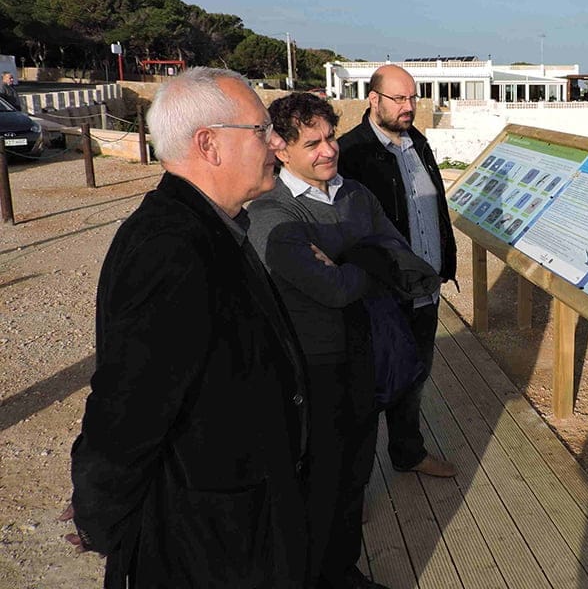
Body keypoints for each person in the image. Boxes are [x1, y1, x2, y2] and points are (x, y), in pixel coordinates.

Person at [63, 68, 309, 588]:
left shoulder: (206, 226)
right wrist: (103, 519)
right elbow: (125, 410)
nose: (277, 143)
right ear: (209, 144)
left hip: (233, 524)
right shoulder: (171, 249)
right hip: (207, 545)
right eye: (263, 130)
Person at [248, 92, 436, 589]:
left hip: (364, 354)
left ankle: (341, 570)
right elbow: (331, 289)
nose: (329, 150)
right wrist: (364, 260)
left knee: (354, 473)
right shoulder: (271, 213)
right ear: (280, 149)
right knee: (317, 482)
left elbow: (398, 256)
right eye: (313, 143)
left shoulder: (354, 194)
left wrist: (350, 261)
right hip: (311, 369)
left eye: (331, 137)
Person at [336, 65, 458, 478]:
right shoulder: (350, 153)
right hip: (381, 293)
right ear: (373, 99)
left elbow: (433, 207)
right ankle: (357, 485)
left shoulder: (418, 144)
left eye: (413, 98)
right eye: (399, 99)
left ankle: (409, 453)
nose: (409, 107)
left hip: (423, 288)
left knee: (414, 378)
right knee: (369, 387)